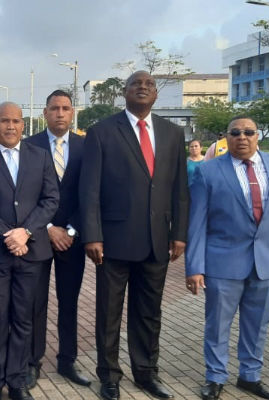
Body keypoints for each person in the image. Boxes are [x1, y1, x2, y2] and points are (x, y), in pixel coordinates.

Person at [79, 71, 189, 400]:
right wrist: (92, 235)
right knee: (109, 314)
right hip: (113, 242)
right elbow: (90, 189)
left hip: (157, 241)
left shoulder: (172, 133)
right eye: (136, 84)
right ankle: (109, 376)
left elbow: (179, 190)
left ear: (156, 95)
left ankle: (146, 373)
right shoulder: (101, 132)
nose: (143, 88)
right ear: (123, 92)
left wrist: (179, 233)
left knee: (148, 312)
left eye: (149, 85)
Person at [0, 102, 59, 400]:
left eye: (16, 121)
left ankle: (17, 380)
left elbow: (50, 199)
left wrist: (26, 231)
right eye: (4, 121)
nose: (10, 126)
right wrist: (8, 233)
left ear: (23, 124)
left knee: (23, 317)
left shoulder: (40, 157)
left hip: (32, 252)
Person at [185, 116, 269, 400]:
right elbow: (197, 221)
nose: (242, 137)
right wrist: (195, 267)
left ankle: (250, 376)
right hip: (223, 262)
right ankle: (215, 377)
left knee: (258, 324)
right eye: (235, 133)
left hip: (267, 262)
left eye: (248, 132)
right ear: (227, 137)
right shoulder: (209, 171)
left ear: (257, 135)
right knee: (218, 325)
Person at [24, 90, 90, 389]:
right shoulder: (29, 146)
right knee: (34, 302)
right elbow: (25, 196)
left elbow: (90, 194)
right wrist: (48, 227)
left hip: (72, 240)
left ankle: (67, 361)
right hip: (38, 237)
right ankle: (31, 362)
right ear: (45, 113)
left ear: (72, 112)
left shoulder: (86, 147)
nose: (60, 113)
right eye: (54, 108)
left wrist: (72, 230)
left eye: (65, 108)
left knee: (69, 302)